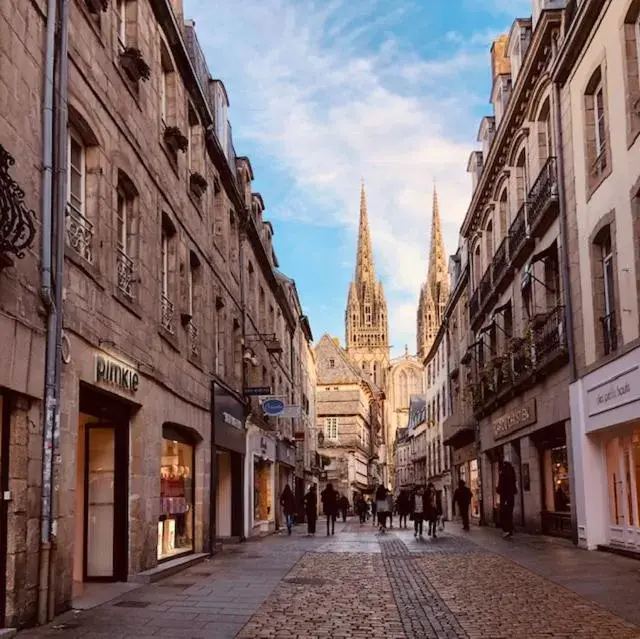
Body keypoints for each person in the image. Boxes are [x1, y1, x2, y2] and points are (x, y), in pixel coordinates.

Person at [497, 460, 517, 538]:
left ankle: (506, 530)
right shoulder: (512, 472)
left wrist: (499, 490)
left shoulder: (503, 473)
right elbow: (514, 485)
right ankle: (509, 529)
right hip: (511, 497)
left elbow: (500, 487)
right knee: (509, 514)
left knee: (504, 514)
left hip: (504, 497)